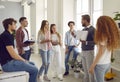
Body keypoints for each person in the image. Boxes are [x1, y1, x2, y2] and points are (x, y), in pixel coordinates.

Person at [0, 18, 38, 82]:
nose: (16, 26)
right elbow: (13, 54)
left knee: (32, 63)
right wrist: (23, 60)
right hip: (8, 64)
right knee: (35, 70)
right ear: (9, 25)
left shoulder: (9, 35)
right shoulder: (6, 35)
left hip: (10, 61)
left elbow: (12, 52)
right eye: (14, 24)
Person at [89, 16, 120, 82]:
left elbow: (100, 52)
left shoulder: (102, 36)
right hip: (107, 63)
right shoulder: (110, 35)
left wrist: (92, 65)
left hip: (100, 64)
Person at [80, 14, 95, 82]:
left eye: (82, 20)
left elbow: (96, 41)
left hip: (89, 52)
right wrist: (75, 36)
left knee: (90, 70)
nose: (81, 22)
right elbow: (82, 40)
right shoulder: (83, 29)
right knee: (85, 70)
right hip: (83, 51)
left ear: (85, 20)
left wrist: (86, 42)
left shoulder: (93, 29)